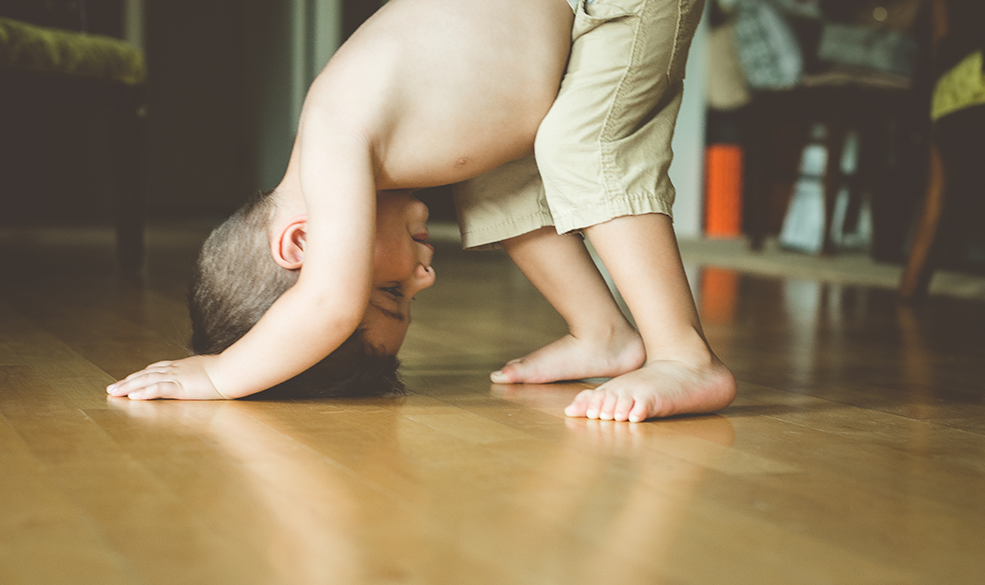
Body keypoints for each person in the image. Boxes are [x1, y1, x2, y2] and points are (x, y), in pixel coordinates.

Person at [107, 0, 737, 422]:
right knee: (493, 180)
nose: (425, 277)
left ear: (301, 245)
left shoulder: (334, 133)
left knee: (583, 146)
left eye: (388, 290)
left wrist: (220, 377)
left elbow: (328, 306)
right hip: (582, 21)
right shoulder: (373, 145)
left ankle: (685, 357)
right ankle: (603, 331)